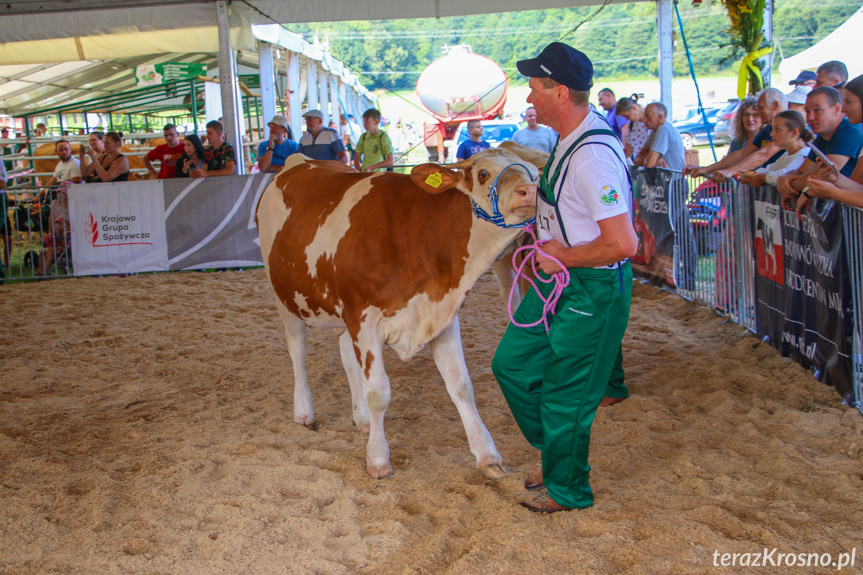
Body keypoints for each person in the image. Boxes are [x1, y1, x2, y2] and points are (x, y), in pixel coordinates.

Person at [491, 42, 637, 514]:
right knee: (510, 364)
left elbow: (623, 244)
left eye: (535, 87)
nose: (529, 98)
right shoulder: (568, 138)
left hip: (589, 285)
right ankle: (556, 453)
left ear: (561, 92)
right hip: (558, 277)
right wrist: (539, 204)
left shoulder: (593, 157)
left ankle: (568, 489)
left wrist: (565, 255)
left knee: (565, 395)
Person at [776, 86, 863, 214]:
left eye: (817, 110)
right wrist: (784, 177)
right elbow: (807, 172)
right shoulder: (824, 135)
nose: (810, 117)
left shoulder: (850, 131)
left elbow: (817, 177)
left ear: (836, 109)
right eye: (807, 111)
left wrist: (790, 186)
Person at [684, 88, 787, 182]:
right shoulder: (768, 128)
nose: (759, 112)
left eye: (760, 108)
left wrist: (729, 172)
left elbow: (763, 155)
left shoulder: (786, 126)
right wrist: (705, 169)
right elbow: (743, 153)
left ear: (775, 106)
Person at [799, 76, 863, 211]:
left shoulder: (850, 131)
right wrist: (836, 179)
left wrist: (834, 192)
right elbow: (859, 189)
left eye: (848, 101)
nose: (844, 108)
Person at [737, 111, 813, 188]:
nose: (771, 134)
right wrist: (752, 175)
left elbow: (784, 175)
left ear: (794, 132)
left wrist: (760, 177)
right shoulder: (787, 154)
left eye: (777, 129)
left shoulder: (804, 154)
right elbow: (770, 169)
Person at [634, 102, 685, 171]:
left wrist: (648, 159)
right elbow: (637, 161)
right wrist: (650, 159)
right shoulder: (654, 132)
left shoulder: (664, 129)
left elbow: (649, 164)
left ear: (660, 117)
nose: (644, 120)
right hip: (666, 179)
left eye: (648, 116)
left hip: (674, 180)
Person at [353, 108, 394, 172]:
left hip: (379, 176)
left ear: (376, 122)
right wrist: (361, 173)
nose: (364, 124)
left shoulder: (383, 137)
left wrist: (371, 167)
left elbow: (390, 161)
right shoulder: (363, 137)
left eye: (367, 121)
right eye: (364, 121)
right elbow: (356, 160)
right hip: (366, 175)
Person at [615, 96, 650, 162]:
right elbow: (628, 151)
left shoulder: (654, 118)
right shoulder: (632, 126)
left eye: (627, 116)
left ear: (634, 108)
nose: (627, 119)